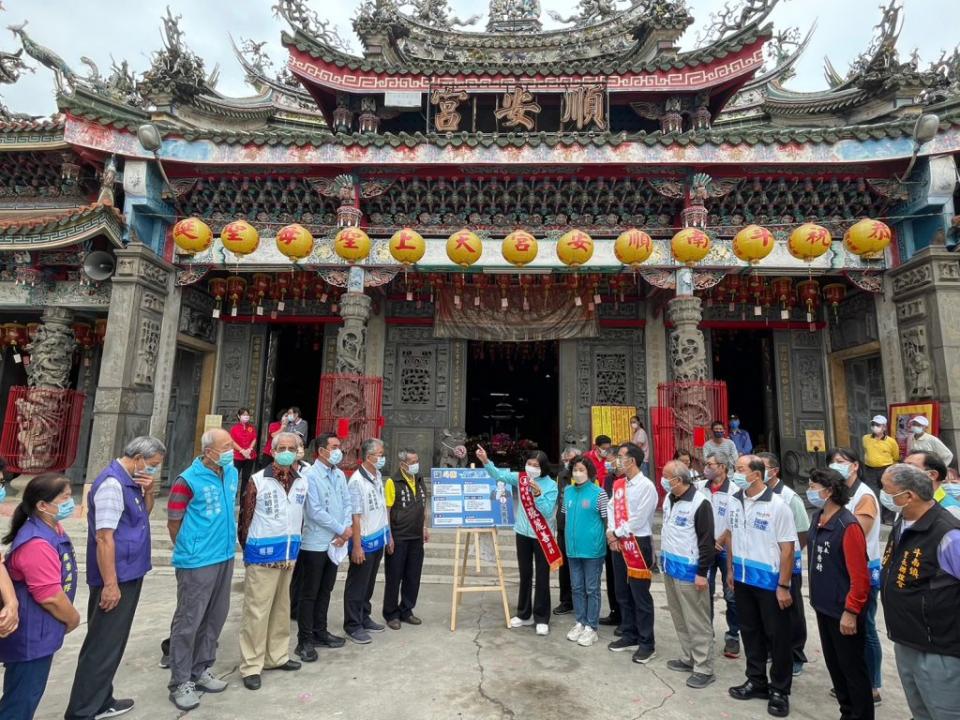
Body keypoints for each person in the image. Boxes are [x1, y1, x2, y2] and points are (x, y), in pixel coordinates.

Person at [65, 436, 165, 720]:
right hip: (115, 576)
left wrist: (148, 491)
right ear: (138, 458)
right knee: (102, 644)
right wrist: (110, 584)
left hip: (129, 571)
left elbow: (141, 515)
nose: (154, 470)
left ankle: (101, 699)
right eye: (153, 465)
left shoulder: (130, 482)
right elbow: (104, 537)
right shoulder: (111, 485)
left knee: (112, 642)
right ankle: (82, 711)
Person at [164, 428, 238, 710]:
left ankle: (201, 668)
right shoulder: (187, 480)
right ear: (209, 452)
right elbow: (174, 521)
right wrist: (188, 548)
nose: (233, 449)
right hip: (197, 560)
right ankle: (180, 681)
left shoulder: (230, 473)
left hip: (224, 554)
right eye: (227, 445)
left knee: (215, 617)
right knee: (188, 621)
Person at [879, 463, 960, 720]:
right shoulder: (903, 522)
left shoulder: (948, 534)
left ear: (908, 496)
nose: (883, 495)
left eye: (887, 490)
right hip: (906, 639)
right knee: (920, 712)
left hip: (938, 650)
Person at [0, 473, 81, 720]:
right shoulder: (37, 543)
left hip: (40, 631)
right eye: (65, 498)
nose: (71, 502)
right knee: (20, 702)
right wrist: (73, 619)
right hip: (31, 636)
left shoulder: (50, 527)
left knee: (25, 695)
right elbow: (50, 597)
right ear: (43, 505)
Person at [722, 454, 797, 718]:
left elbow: (788, 549)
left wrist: (784, 585)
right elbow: (730, 535)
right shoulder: (734, 501)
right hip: (743, 579)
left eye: (740, 469)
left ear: (756, 473)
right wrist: (730, 569)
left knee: (777, 637)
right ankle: (756, 680)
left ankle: (779, 690)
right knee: (750, 632)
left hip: (769, 583)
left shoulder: (778, 506)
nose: (735, 473)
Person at [238, 432, 306, 690]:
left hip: (288, 554)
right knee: (257, 611)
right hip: (263, 556)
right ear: (273, 451)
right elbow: (245, 518)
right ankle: (251, 665)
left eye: (292, 447)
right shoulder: (258, 480)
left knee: (281, 608)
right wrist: (249, 551)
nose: (287, 451)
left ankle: (276, 656)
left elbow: (298, 517)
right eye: (283, 447)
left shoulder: (300, 481)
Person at [806, 468, 874, 720]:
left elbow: (860, 577)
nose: (810, 491)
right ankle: (847, 712)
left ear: (829, 491)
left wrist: (851, 611)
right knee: (836, 668)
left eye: (814, 487)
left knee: (852, 669)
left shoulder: (848, 525)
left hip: (844, 611)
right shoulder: (818, 517)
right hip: (824, 606)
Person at [478, 445, 559, 636]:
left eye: (536, 465)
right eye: (529, 463)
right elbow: (499, 476)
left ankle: (541, 617)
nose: (531, 467)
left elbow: (547, 511)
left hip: (542, 535)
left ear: (543, 467)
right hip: (522, 532)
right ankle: (524, 614)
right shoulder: (521, 478)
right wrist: (485, 460)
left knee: (542, 577)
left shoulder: (551, 485)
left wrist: (538, 494)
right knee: (524, 574)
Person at [827, 447, 883, 706]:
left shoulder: (864, 495)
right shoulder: (837, 493)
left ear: (855, 466)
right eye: (832, 462)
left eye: (841, 462)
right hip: (839, 569)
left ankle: (872, 684)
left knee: (866, 627)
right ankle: (851, 678)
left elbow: (856, 531)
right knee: (844, 628)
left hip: (862, 570)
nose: (836, 465)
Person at [660, 460, 716, 689]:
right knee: (679, 616)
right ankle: (688, 657)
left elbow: (706, 541)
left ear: (678, 479)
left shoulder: (700, 503)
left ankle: (704, 667)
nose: (663, 480)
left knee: (697, 620)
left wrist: (702, 573)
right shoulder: (669, 499)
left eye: (666, 476)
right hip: (671, 567)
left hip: (691, 572)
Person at [296, 431, 350, 661]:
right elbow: (314, 511)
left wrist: (345, 530)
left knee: (326, 589)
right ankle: (304, 640)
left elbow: (348, 502)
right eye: (335, 446)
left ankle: (320, 631)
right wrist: (340, 529)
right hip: (315, 543)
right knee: (309, 593)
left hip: (335, 542)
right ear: (321, 451)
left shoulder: (339, 475)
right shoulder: (309, 475)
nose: (339, 450)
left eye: (339, 446)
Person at [758, 452, 810, 676]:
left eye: (762, 467)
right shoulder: (754, 495)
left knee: (792, 610)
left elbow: (802, 532)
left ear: (774, 471)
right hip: (762, 563)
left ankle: (796, 654)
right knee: (768, 611)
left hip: (786, 563)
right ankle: (772, 648)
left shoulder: (789, 497)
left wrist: (787, 556)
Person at [606, 442, 657, 664]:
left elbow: (639, 518)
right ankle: (629, 634)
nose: (617, 460)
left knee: (640, 595)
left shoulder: (647, 486)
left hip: (637, 543)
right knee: (622, 592)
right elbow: (610, 508)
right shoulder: (619, 484)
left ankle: (647, 643)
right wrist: (611, 532)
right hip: (618, 543)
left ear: (632, 461)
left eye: (620, 457)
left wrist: (616, 532)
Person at [343, 438, 391, 644]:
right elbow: (355, 516)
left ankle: (364, 615)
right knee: (357, 583)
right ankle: (353, 624)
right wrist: (356, 545)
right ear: (369, 456)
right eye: (379, 454)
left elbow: (380, 509)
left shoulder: (377, 475)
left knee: (369, 583)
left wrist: (387, 535)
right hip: (362, 541)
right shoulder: (356, 481)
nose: (382, 458)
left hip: (377, 538)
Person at [561, 456, 609, 648]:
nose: (577, 473)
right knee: (577, 588)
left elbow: (606, 520)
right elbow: (564, 517)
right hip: (573, 549)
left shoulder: (599, 494)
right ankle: (580, 622)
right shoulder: (568, 492)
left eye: (581, 469)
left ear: (589, 471)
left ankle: (592, 627)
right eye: (574, 469)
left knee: (592, 589)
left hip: (592, 550)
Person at [383, 448, 428, 629]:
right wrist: (389, 536)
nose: (416, 465)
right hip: (399, 536)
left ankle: (407, 609)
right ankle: (391, 613)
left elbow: (423, 505)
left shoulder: (419, 478)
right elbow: (386, 510)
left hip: (416, 536)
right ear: (403, 464)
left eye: (417, 460)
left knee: (413, 576)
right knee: (394, 577)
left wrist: (425, 526)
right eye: (412, 462)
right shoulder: (393, 482)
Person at [703, 455, 740, 658]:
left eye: (710, 465)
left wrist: (723, 539)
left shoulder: (735, 491)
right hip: (706, 548)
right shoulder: (701, 488)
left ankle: (733, 636)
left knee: (731, 595)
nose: (706, 468)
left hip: (727, 549)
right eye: (706, 464)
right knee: (704, 592)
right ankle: (705, 633)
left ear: (723, 467)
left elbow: (735, 521)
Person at [553, 446, 579, 616]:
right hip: (563, 526)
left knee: (581, 566)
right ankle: (566, 600)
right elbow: (558, 500)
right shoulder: (561, 477)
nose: (568, 463)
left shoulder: (590, 478)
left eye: (571, 459)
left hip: (581, 529)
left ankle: (581, 600)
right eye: (566, 460)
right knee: (564, 567)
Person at [598, 453, 622, 629]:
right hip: (609, 533)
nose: (609, 464)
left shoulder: (629, 482)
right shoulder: (608, 480)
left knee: (623, 580)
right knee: (612, 576)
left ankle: (625, 617)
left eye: (612, 461)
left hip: (624, 535)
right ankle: (615, 612)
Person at [862, 415, 899, 521]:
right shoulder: (865, 438)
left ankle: (888, 518)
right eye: (873, 424)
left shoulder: (891, 441)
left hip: (886, 469)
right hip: (870, 470)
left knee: (888, 492)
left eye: (878, 425)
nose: (875, 427)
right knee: (872, 493)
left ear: (884, 427)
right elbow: (866, 451)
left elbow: (895, 456)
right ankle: (875, 516)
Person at [906, 450, 960, 519]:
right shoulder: (908, 503)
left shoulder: (951, 510)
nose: (902, 471)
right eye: (903, 466)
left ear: (932, 474)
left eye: (910, 467)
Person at [231, 408, 258, 500]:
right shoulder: (234, 428)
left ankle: (243, 498)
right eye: (244, 415)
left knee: (246, 478)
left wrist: (249, 449)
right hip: (237, 456)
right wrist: (242, 451)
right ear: (239, 416)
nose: (246, 416)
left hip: (249, 456)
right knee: (235, 477)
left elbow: (254, 438)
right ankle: (232, 497)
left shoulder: (251, 427)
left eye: (247, 415)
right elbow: (232, 441)